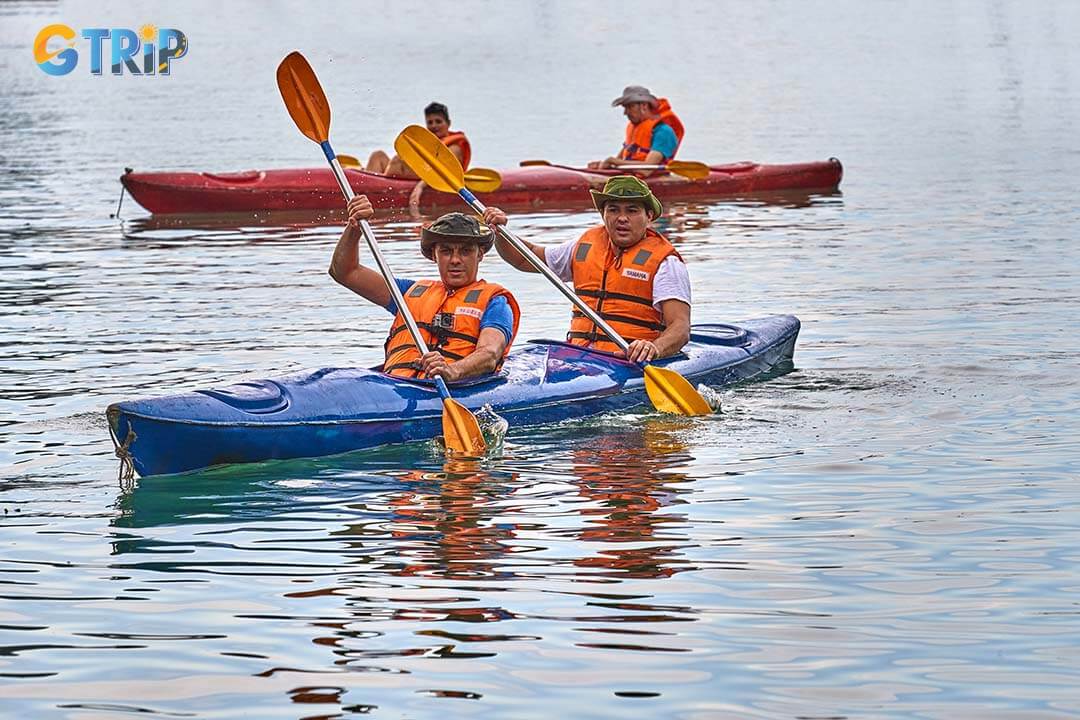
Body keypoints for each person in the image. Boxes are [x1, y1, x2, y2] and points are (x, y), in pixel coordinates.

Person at [482, 176, 690, 363]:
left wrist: (654, 348)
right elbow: (523, 259)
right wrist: (501, 232)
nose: (622, 218)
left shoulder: (666, 263)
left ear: (649, 216)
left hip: (628, 361)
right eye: (613, 209)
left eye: (632, 210)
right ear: (603, 213)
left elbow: (680, 327)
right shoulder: (583, 246)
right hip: (578, 356)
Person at [329, 195, 519, 381]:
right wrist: (354, 228)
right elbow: (344, 272)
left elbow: (490, 353)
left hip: (454, 388)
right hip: (396, 385)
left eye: (465, 251)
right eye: (445, 251)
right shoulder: (407, 292)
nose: (455, 260)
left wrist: (452, 370)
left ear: (480, 255)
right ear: (434, 256)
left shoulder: (495, 302)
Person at [364, 102, 471, 207]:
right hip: (393, 176)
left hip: (425, 180)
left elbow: (442, 172)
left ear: (448, 123)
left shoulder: (455, 147)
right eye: (430, 122)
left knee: (397, 160)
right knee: (377, 155)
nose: (434, 126)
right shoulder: (427, 144)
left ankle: (368, 192)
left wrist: (420, 186)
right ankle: (365, 184)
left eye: (438, 121)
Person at [589, 86, 684, 176]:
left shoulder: (663, 132)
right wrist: (603, 166)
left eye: (630, 107)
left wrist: (613, 162)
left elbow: (647, 169)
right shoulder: (634, 128)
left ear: (644, 106)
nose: (625, 113)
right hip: (629, 177)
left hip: (650, 179)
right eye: (625, 108)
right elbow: (619, 160)